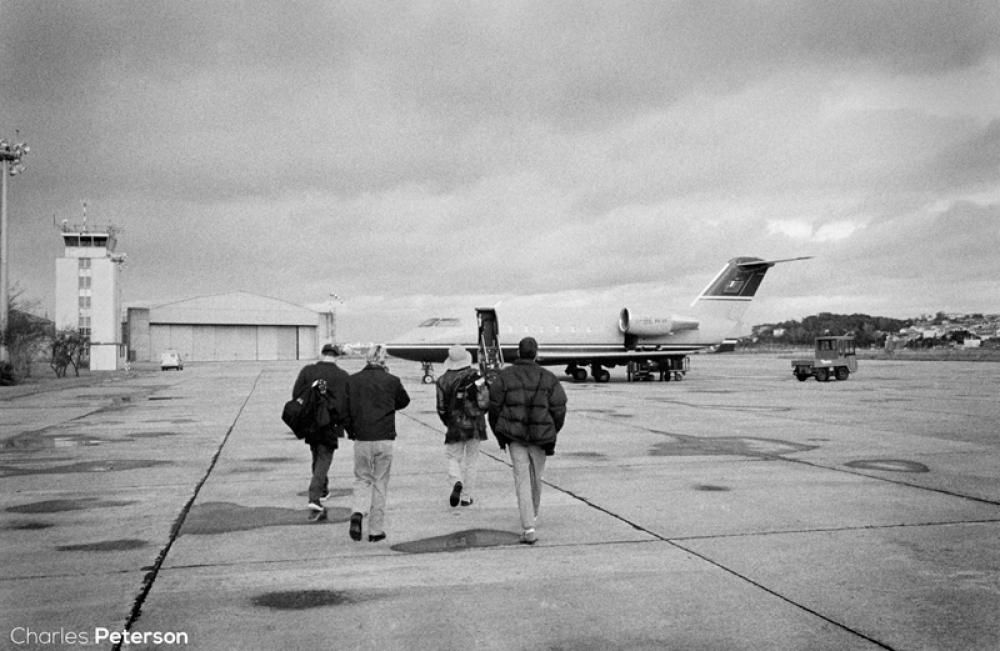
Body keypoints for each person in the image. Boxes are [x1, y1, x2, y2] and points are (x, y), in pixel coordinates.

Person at [488, 336, 567, 545]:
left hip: (515, 436)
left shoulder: (505, 376)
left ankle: (528, 526)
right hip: (540, 437)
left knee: (521, 478)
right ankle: (534, 514)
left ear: (518, 353)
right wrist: (551, 430)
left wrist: (500, 433)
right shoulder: (548, 377)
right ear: (536, 354)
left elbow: (494, 407)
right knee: (536, 477)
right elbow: (559, 408)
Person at [345, 344, 410, 542]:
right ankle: (375, 531)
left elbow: (344, 409)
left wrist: (351, 431)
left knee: (362, 479)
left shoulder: (352, 380)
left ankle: (357, 512)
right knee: (380, 483)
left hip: (362, 438)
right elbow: (404, 401)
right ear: (383, 360)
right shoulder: (392, 380)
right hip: (384, 437)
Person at [291, 343, 349, 522]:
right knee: (324, 458)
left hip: (310, 422)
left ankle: (323, 489)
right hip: (331, 424)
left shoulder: (307, 371)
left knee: (316, 454)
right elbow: (347, 403)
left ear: (322, 354)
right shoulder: (343, 375)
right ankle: (314, 497)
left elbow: (296, 394)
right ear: (337, 356)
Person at [435, 345, 489, 508]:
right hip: (475, 424)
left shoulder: (442, 380)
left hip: (455, 423)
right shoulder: (476, 376)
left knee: (453, 457)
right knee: (472, 461)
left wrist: (448, 422)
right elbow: (485, 400)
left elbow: (441, 407)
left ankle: (456, 481)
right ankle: (466, 497)